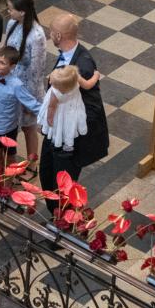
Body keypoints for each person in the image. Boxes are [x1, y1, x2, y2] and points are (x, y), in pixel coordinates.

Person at [41, 14, 108, 195]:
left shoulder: (83, 64)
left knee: (61, 188)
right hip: (54, 131)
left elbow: (93, 106)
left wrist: (73, 131)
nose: (49, 35)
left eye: (51, 32)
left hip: (68, 139)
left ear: (58, 36)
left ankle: (62, 214)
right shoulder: (68, 55)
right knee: (46, 176)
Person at [0, 46, 42, 169]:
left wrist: (49, 114)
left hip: (8, 129)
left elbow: (31, 103)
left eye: (2, 63)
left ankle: (10, 179)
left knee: (10, 158)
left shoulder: (16, 85)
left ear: (12, 66)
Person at [37, 65, 88, 153]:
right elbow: (87, 85)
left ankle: (57, 142)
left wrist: (49, 118)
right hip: (72, 109)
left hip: (59, 112)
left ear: (59, 86)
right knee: (69, 125)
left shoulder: (55, 92)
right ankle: (68, 144)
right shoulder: (75, 80)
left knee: (58, 126)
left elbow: (51, 107)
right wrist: (96, 76)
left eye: (52, 82)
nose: (50, 82)